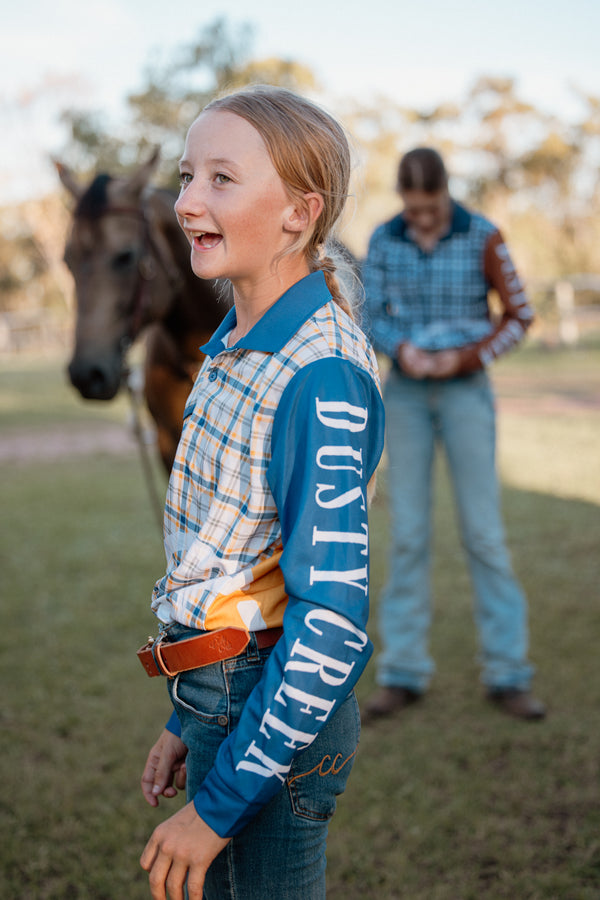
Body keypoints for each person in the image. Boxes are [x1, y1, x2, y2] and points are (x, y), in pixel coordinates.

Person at [137, 85, 385, 900]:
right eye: (186, 176)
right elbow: (236, 563)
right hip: (223, 692)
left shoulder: (320, 377)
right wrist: (187, 711)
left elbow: (332, 628)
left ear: (298, 212)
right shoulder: (236, 341)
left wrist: (217, 808)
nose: (187, 202)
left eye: (221, 179)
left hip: (269, 717)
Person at [362, 147, 545, 723]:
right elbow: (368, 316)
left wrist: (464, 359)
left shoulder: (484, 235)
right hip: (407, 396)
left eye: (429, 207)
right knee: (409, 535)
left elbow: (519, 315)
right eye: (411, 209)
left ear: (445, 193)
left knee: (484, 533)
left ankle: (508, 672)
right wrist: (403, 350)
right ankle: (403, 672)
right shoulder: (384, 238)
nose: (420, 219)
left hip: (467, 394)